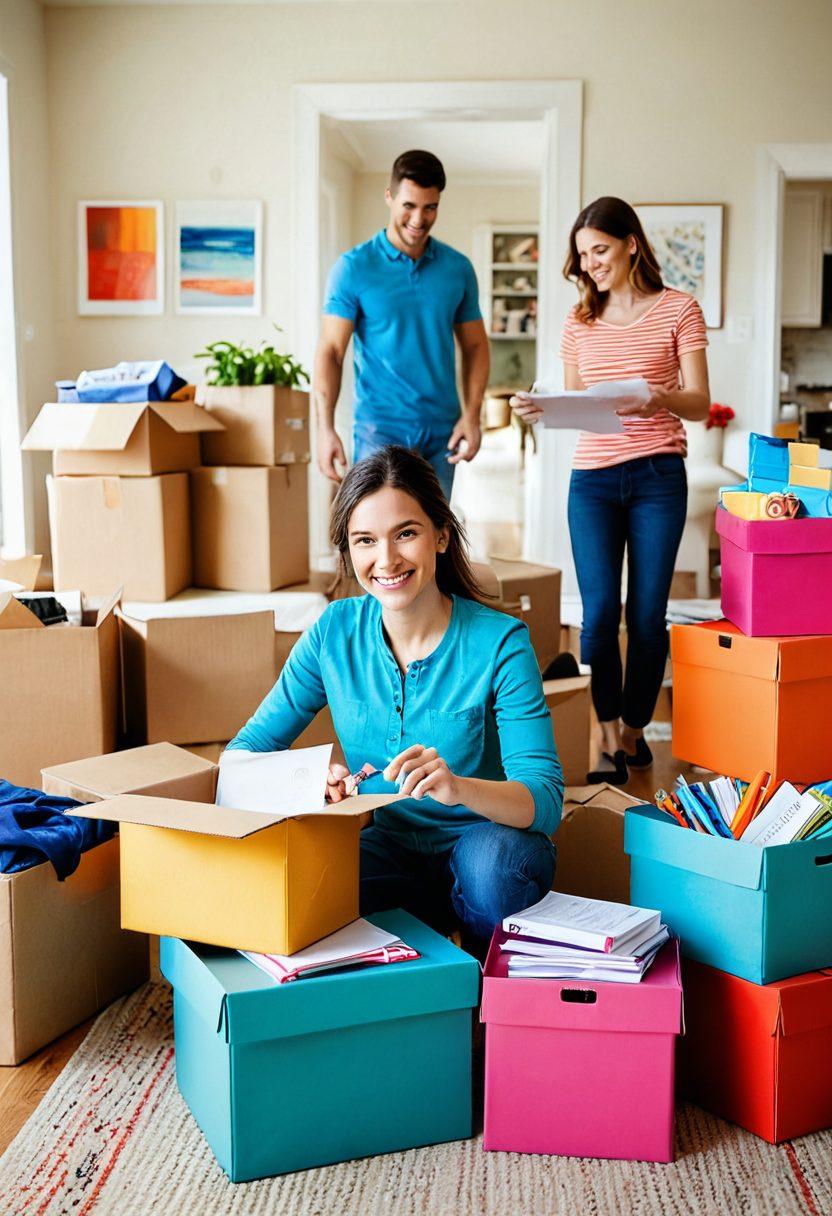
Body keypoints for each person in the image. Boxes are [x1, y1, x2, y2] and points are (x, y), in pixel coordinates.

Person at [227, 445, 562, 951]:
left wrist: (458, 788)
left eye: (405, 533)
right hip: (387, 846)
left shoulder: (501, 643)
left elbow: (545, 800)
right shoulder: (332, 635)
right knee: (292, 882)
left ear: (442, 536)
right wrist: (304, 781)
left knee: (492, 870)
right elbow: (241, 755)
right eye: (365, 541)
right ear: (349, 552)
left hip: (487, 843)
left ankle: (480, 997)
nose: (386, 560)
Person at [511, 196, 711, 785]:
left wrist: (659, 395)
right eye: (582, 255)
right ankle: (605, 738)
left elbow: (698, 401)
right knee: (598, 616)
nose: (591, 264)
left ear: (631, 243)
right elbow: (577, 404)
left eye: (599, 250)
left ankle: (634, 732)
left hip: (656, 476)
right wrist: (538, 408)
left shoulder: (679, 309)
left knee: (647, 616)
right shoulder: (580, 322)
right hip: (593, 480)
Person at [314, 150, 491, 501]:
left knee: (435, 542)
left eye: (430, 207)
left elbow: (475, 346)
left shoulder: (458, 269)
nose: (419, 219)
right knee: (375, 537)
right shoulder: (354, 267)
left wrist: (472, 415)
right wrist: (324, 429)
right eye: (409, 205)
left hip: (443, 430)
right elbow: (331, 352)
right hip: (379, 429)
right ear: (389, 196)